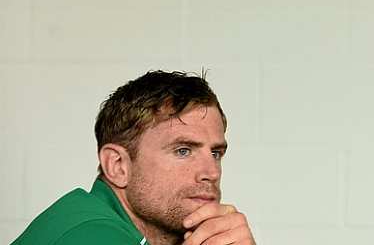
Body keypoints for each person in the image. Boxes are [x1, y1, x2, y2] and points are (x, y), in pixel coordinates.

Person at [12, 70, 256, 245]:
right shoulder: (91, 234)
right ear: (118, 166)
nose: (211, 172)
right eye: (183, 151)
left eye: (215, 153)